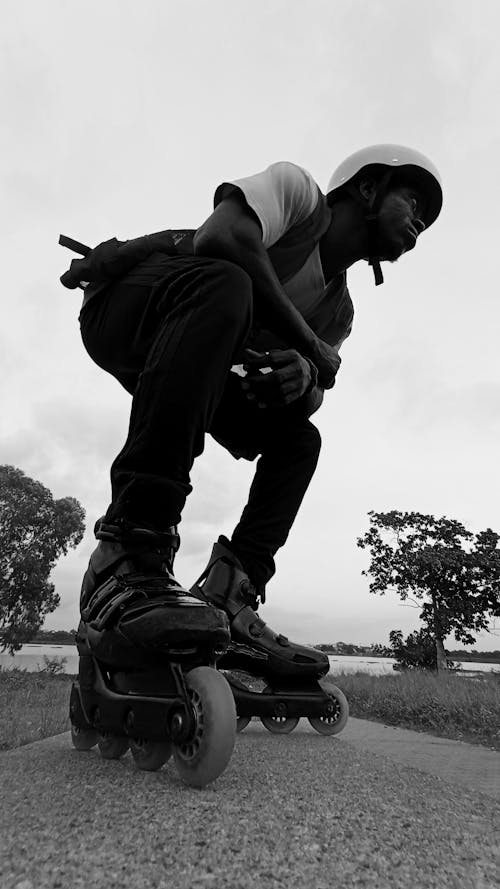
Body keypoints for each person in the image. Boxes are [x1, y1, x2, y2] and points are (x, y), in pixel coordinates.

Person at [73, 144, 443, 673]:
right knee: (229, 281)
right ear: (367, 188)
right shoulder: (297, 195)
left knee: (299, 441)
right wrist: (312, 352)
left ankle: (229, 599)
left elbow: (317, 392)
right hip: (125, 311)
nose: (421, 221)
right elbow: (221, 237)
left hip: (197, 359)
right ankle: (131, 547)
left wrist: (302, 378)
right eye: (413, 201)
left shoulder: (339, 309)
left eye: (427, 217)